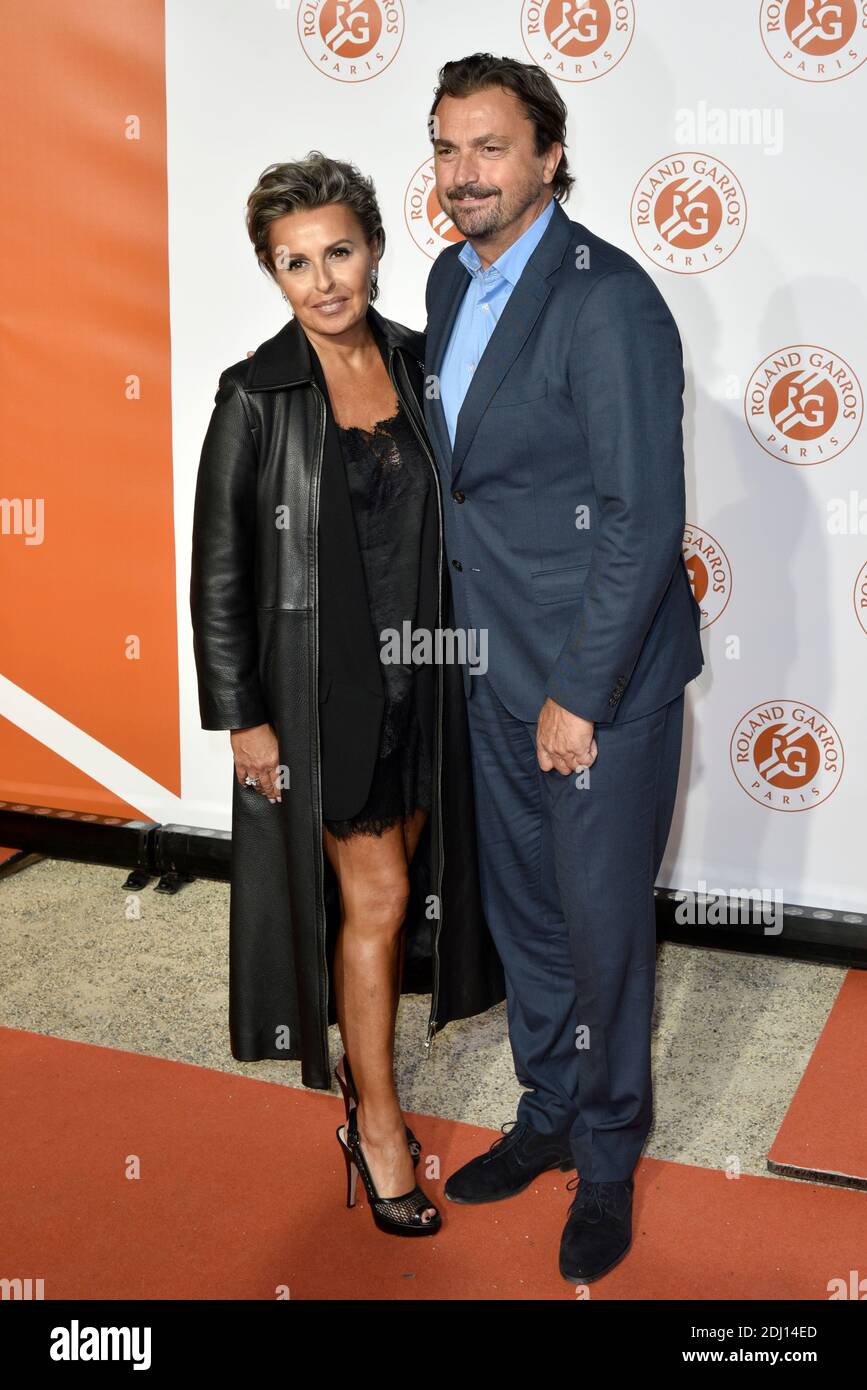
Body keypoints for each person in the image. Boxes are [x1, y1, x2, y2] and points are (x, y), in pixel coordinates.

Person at [422, 54, 704, 1281]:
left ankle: (604, 1156)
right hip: (491, 667)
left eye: (490, 148)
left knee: (601, 934)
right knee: (528, 919)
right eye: (445, 147)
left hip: (599, 686)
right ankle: (545, 1113)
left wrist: (580, 696)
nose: (464, 174)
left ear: (547, 155)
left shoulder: (611, 300)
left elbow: (642, 517)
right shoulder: (446, 277)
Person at [189, 153, 504, 1238]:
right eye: (295, 263)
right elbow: (220, 571)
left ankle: (365, 1080)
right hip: (328, 701)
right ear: (271, 274)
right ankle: (376, 1126)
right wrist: (244, 716)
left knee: (402, 887)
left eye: (338, 252)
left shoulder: (425, 366)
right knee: (372, 901)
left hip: (431, 682)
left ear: (373, 246)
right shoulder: (256, 394)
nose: (323, 281)